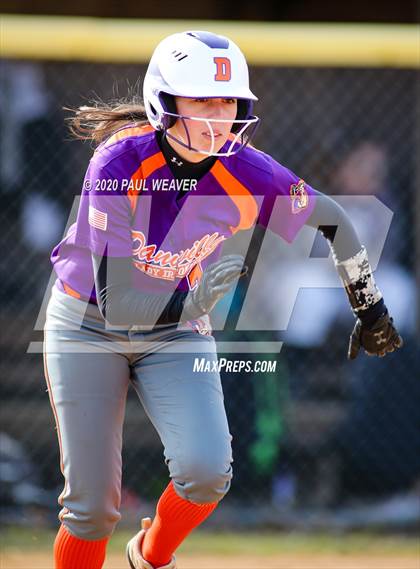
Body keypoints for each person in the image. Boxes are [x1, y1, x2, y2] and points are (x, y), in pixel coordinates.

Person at [44, 30, 403, 569]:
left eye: (228, 101)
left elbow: (334, 219)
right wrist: (195, 305)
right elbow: (120, 303)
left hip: (173, 329)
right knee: (93, 509)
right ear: (162, 104)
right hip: (88, 323)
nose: (218, 116)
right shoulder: (118, 163)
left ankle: (148, 556)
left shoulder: (247, 168)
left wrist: (370, 308)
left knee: (207, 474)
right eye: (201, 100)